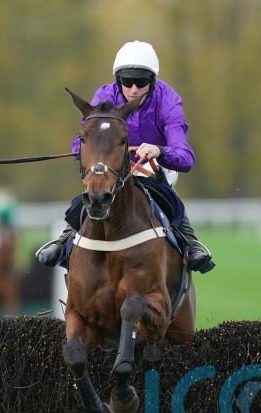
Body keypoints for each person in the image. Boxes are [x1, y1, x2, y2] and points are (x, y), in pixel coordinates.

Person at [36, 40, 215, 273]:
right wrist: (103, 155)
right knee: (89, 196)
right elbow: (80, 142)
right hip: (113, 169)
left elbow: (185, 157)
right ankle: (65, 239)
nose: (133, 89)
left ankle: (189, 242)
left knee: (170, 201)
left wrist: (159, 151)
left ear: (152, 80)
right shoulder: (105, 95)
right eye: (126, 82)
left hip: (155, 170)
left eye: (141, 82)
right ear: (117, 80)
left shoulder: (168, 101)